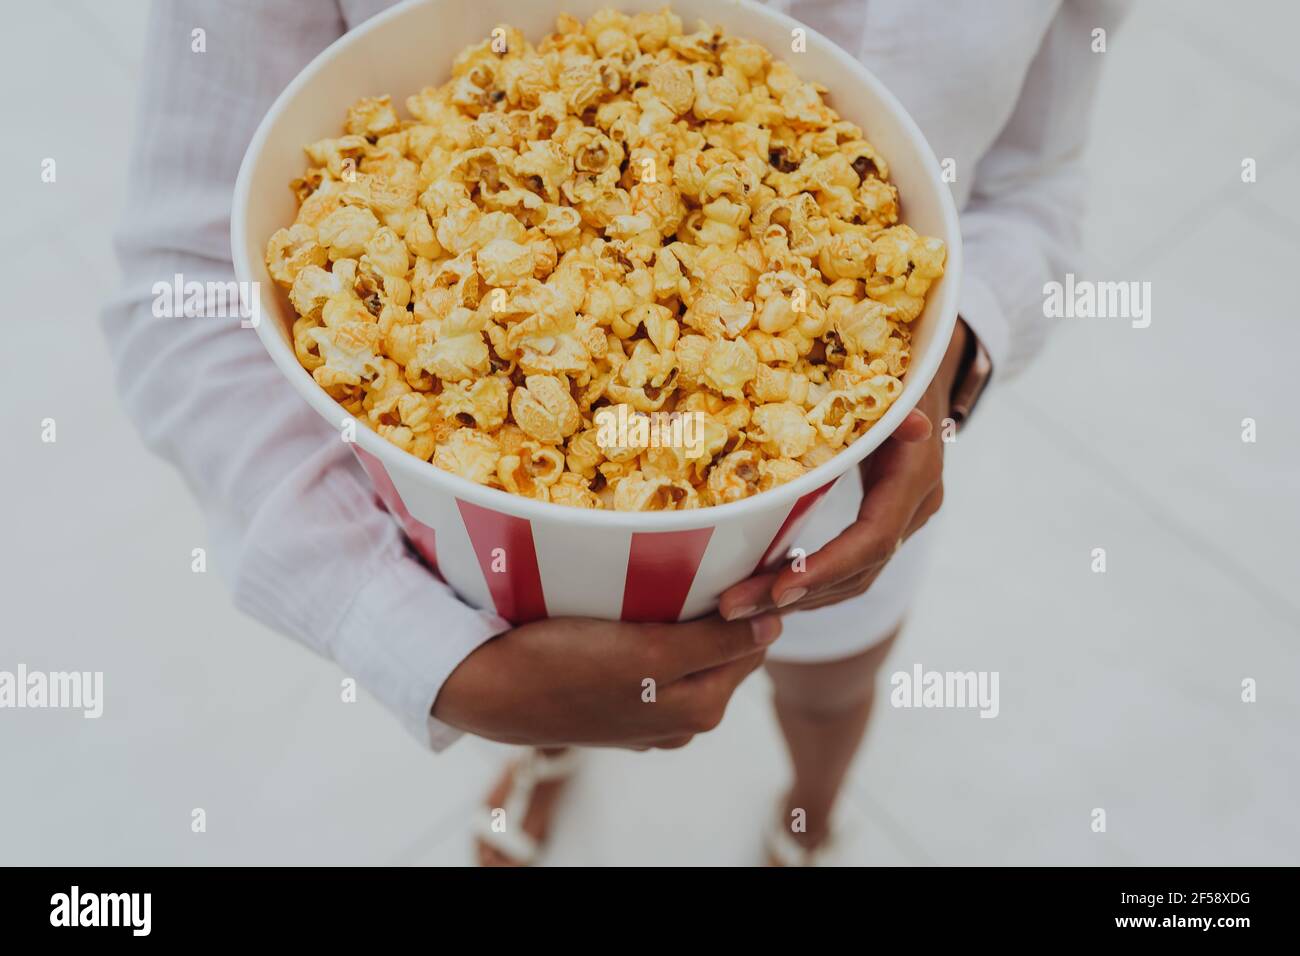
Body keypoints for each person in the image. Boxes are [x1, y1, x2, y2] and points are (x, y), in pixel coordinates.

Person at [103, 0, 1123, 865]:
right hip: (492, 543)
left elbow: (1033, 188)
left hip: (852, 494)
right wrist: (444, 663)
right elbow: (182, 282)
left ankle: (806, 824)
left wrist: (955, 358)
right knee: (560, 679)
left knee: (829, 681)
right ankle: (544, 750)